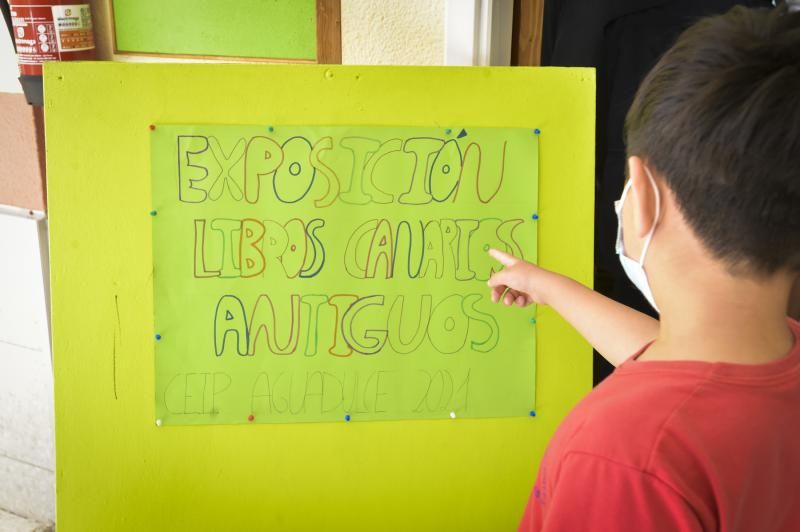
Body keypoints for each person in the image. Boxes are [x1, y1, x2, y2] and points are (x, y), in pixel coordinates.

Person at [488, 5, 800, 531]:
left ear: (642, 196)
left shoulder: (622, 457)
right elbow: (668, 363)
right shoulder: (778, 352)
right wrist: (550, 288)